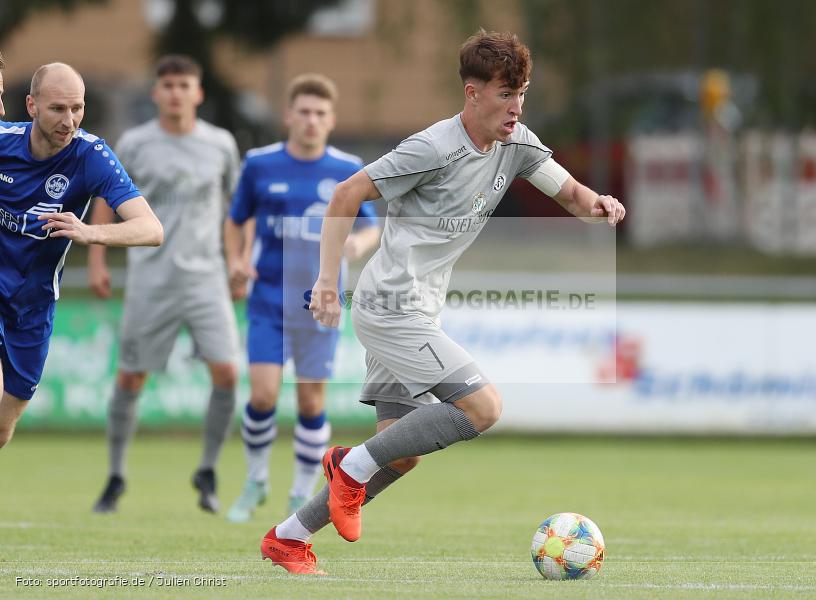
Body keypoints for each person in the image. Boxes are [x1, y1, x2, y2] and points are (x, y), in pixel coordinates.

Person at [257, 30, 625, 574]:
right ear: (472, 93)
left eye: (522, 94)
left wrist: (599, 205)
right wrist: (328, 281)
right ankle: (346, 466)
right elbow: (346, 193)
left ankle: (289, 537)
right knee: (483, 408)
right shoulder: (431, 148)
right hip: (390, 307)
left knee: (400, 452)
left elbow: (571, 194)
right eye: (505, 94)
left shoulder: (517, 144)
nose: (516, 107)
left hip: (419, 310)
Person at [223, 74, 379, 522]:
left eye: (320, 113)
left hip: (320, 304)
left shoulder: (347, 167)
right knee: (263, 396)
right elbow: (235, 219)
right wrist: (236, 260)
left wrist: (358, 242)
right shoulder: (260, 164)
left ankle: (299, 494)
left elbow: (371, 225)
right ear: (289, 115)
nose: (311, 120)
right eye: (304, 112)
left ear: (331, 120)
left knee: (311, 403)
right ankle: (255, 481)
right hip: (269, 299)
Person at [89, 55, 241, 514]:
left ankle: (208, 471)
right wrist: (97, 257)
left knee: (228, 373)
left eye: (184, 85)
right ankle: (115, 476)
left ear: (198, 93)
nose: (176, 93)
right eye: (168, 85)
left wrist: (237, 261)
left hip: (205, 278)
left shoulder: (220, 144)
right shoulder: (135, 144)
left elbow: (234, 211)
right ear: (156, 93)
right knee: (131, 375)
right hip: (150, 279)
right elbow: (106, 200)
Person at [0, 62, 163, 452]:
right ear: (32, 106)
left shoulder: (91, 156)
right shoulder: (4, 142)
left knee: (2, 429)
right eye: (58, 109)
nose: (69, 120)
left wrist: (91, 232)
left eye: (77, 108)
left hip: (33, 306)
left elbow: (152, 229)